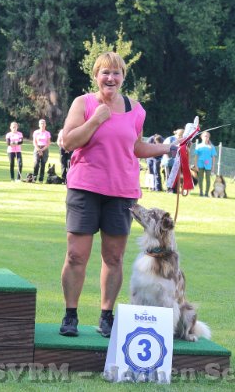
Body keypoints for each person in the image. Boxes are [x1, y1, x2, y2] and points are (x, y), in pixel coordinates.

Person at [58, 52, 172, 338]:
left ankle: (106, 316)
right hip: (84, 188)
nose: (110, 78)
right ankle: (70, 315)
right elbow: (69, 142)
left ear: (123, 77)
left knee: (113, 258)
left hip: (121, 192)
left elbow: (136, 147)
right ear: (96, 76)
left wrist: (168, 148)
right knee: (76, 255)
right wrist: (96, 120)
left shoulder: (136, 109)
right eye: (105, 72)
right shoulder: (83, 103)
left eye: (116, 73)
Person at [194, 131, 217, 197]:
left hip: (208, 165)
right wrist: (196, 165)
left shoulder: (212, 147)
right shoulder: (198, 146)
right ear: (201, 137)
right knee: (200, 179)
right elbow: (196, 156)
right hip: (200, 165)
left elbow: (213, 157)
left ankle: (206, 193)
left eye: (207, 136)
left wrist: (213, 167)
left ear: (209, 137)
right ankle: (201, 192)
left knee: (208, 180)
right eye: (205, 136)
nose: (206, 137)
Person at [162, 129, 184, 193]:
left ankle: (175, 190)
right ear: (176, 133)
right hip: (169, 161)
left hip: (178, 162)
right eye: (179, 135)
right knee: (169, 176)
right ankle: (169, 189)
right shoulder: (170, 139)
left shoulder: (183, 140)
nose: (180, 137)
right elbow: (164, 148)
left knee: (176, 176)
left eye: (182, 135)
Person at [32, 119, 52, 183]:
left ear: (45, 125)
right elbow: (34, 142)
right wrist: (38, 149)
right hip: (37, 148)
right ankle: (34, 178)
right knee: (36, 163)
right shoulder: (36, 132)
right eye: (41, 123)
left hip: (45, 149)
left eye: (43, 123)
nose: (42, 125)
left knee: (43, 164)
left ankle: (41, 179)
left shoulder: (47, 133)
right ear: (39, 125)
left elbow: (48, 143)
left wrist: (42, 150)